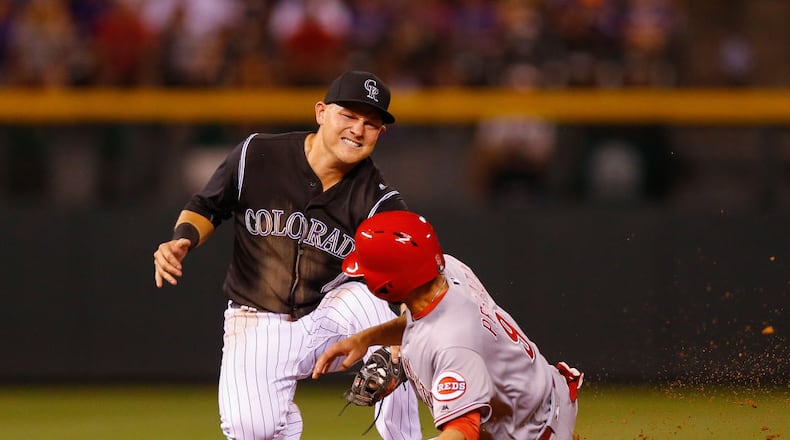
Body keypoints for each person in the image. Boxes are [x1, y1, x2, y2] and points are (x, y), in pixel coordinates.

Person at [153, 71, 421, 440]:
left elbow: (414, 275)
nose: (357, 130)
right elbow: (208, 204)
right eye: (348, 116)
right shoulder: (258, 154)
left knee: (382, 322)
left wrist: (398, 338)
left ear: (380, 134)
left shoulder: (379, 200)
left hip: (328, 315)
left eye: (370, 124)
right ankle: (279, 425)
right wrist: (182, 238)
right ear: (321, 112)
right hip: (257, 319)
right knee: (250, 428)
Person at [313, 210, 583, 440]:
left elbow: (463, 429)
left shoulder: (452, 343)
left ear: (388, 284)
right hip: (540, 398)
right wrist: (365, 339)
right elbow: (416, 318)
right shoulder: (446, 270)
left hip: (533, 432)